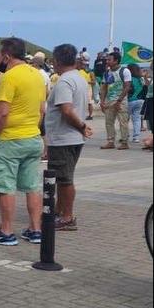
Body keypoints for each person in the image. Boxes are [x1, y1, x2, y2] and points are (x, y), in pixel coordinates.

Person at [0, 38, 46, 246]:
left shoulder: (8, 77)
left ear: (7, 56)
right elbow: (41, 109)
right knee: (32, 186)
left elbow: (2, 112)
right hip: (32, 137)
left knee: (6, 185)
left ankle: (7, 231)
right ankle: (36, 229)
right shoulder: (36, 74)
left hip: (10, 139)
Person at [45, 44, 92, 232]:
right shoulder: (79, 78)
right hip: (72, 137)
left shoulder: (65, 81)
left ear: (56, 61)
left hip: (64, 137)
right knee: (61, 177)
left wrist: (82, 126)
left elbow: (66, 110)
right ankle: (60, 211)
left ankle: (67, 217)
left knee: (64, 179)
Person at [99, 51, 131, 150]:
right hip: (109, 101)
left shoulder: (125, 71)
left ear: (116, 61)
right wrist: (102, 101)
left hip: (121, 101)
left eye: (109, 59)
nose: (107, 61)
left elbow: (127, 87)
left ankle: (124, 142)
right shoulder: (107, 72)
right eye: (107, 59)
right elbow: (104, 87)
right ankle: (110, 141)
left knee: (123, 122)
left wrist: (119, 101)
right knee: (108, 122)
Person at [128, 64, 146, 143]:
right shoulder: (141, 79)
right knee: (137, 119)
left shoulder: (129, 79)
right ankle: (136, 137)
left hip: (130, 100)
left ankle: (125, 135)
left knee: (125, 119)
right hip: (140, 101)